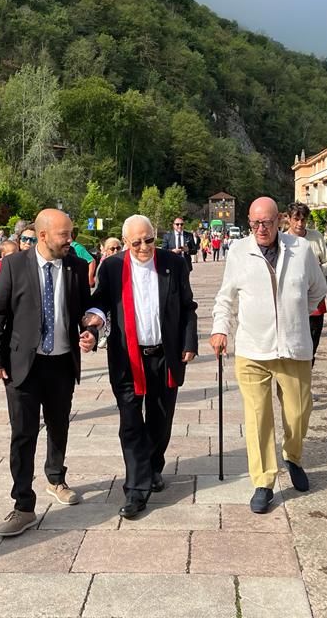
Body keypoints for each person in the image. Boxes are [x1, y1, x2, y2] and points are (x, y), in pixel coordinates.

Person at [0, 209, 97, 537]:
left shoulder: (75, 267)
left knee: (59, 425)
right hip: (23, 367)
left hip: (62, 362)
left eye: (71, 233)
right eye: (64, 235)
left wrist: (90, 333)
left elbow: (84, 313)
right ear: (43, 236)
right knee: (23, 433)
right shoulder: (14, 266)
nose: (70, 241)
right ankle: (22, 505)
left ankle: (56, 479)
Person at [211, 197, 327, 513]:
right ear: (250, 222)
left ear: (280, 220)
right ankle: (263, 481)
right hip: (252, 348)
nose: (261, 229)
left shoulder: (301, 250)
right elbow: (225, 298)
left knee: (299, 411)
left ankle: (293, 456)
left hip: (293, 347)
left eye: (267, 223)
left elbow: (318, 290)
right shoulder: (238, 251)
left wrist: (294, 315)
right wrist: (220, 328)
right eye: (255, 223)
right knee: (258, 416)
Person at [82, 215, 198, 518]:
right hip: (127, 357)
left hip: (165, 355)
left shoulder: (173, 264)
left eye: (149, 239)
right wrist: (92, 327)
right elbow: (101, 303)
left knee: (161, 419)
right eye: (136, 242)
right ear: (125, 242)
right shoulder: (112, 266)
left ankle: (152, 466)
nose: (144, 246)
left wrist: (189, 342)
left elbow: (187, 307)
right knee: (131, 423)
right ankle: (136, 489)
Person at [285, 203, 327, 369]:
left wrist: (317, 269)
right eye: (296, 219)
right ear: (288, 219)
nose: (300, 223)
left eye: (303, 219)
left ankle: (306, 380)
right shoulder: (281, 240)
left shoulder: (316, 237)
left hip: (314, 299)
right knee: (291, 343)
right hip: (290, 299)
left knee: (312, 343)